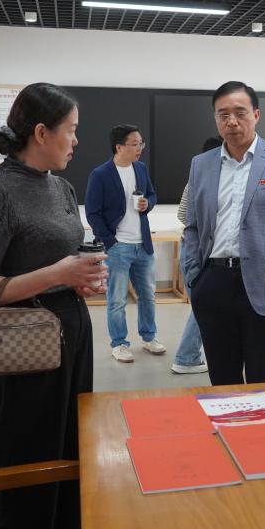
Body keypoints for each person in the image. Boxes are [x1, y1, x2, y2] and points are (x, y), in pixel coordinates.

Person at [0, 82, 107, 529]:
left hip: (71, 329)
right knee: (28, 451)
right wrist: (57, 274)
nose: (77, 140)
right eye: (72, 130)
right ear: (42, 132)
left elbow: (61, 256)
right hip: (23, 340)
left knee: (70, 442)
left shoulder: (60, 185)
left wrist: (80, 279)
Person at [181, 81, 265, 385]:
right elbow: (193, 226)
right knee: (222, 378)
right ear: (215, 118)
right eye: (223, 114)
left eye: (240, 113)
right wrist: (193, 277)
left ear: (256, 114)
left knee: (263, 377)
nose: (232, 121)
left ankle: (262, 420)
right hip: (213, 282)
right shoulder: (201, 164)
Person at [85, 124, 165, 363]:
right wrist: (111, 241)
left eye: (141, 143)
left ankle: (149, 337)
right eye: (135, 144)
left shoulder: (140, 168)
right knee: (117, 299)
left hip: (143, 245)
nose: (140, 148)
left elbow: (152, 195)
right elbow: (92, 213)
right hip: (118, 246)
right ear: (119, 147)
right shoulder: (100, 174)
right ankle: (119, 343)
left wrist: (148, 204)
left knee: (148, 295)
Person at [170, 136, 223, 375]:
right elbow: (185, 215)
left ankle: (189, 355)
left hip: (195, 250)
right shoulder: (200, 178)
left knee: (204, 306)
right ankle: (186, 357)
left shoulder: (206, 177)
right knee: (204, 306)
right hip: (198, 252)